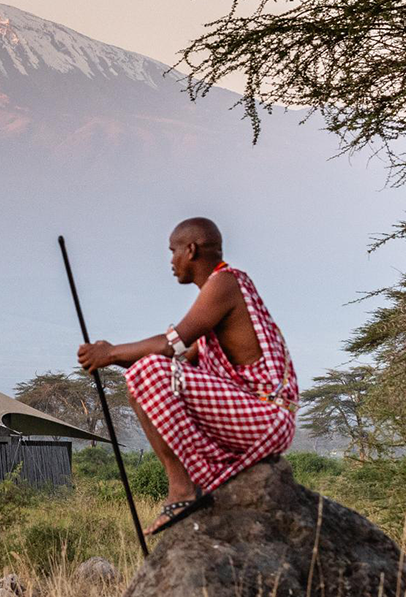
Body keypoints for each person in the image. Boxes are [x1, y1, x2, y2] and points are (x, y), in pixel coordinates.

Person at [76, 217, 298, 535]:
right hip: (256, 416)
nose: (171, 261)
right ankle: (194, 483)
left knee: (150, 371)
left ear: (191, 250)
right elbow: (180, 356)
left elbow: (170, 346)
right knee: (146, 373)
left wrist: (109, 353)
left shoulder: (225, 283)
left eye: (173, 251)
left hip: (266, 415)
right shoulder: (216, 298)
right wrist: (110, 358)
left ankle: (182, 490)